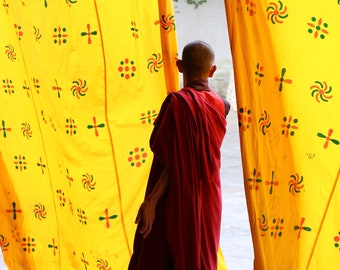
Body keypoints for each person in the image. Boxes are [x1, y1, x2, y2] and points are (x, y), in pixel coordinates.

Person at [128, 40, 230, 270]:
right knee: (202, 256)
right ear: (212, 71)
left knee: (164, 256)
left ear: (180, 66)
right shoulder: (223, 105)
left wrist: (151, 201)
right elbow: (185, 158)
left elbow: (174, 162)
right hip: (209, 196)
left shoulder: (176, 103)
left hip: (176, 194)